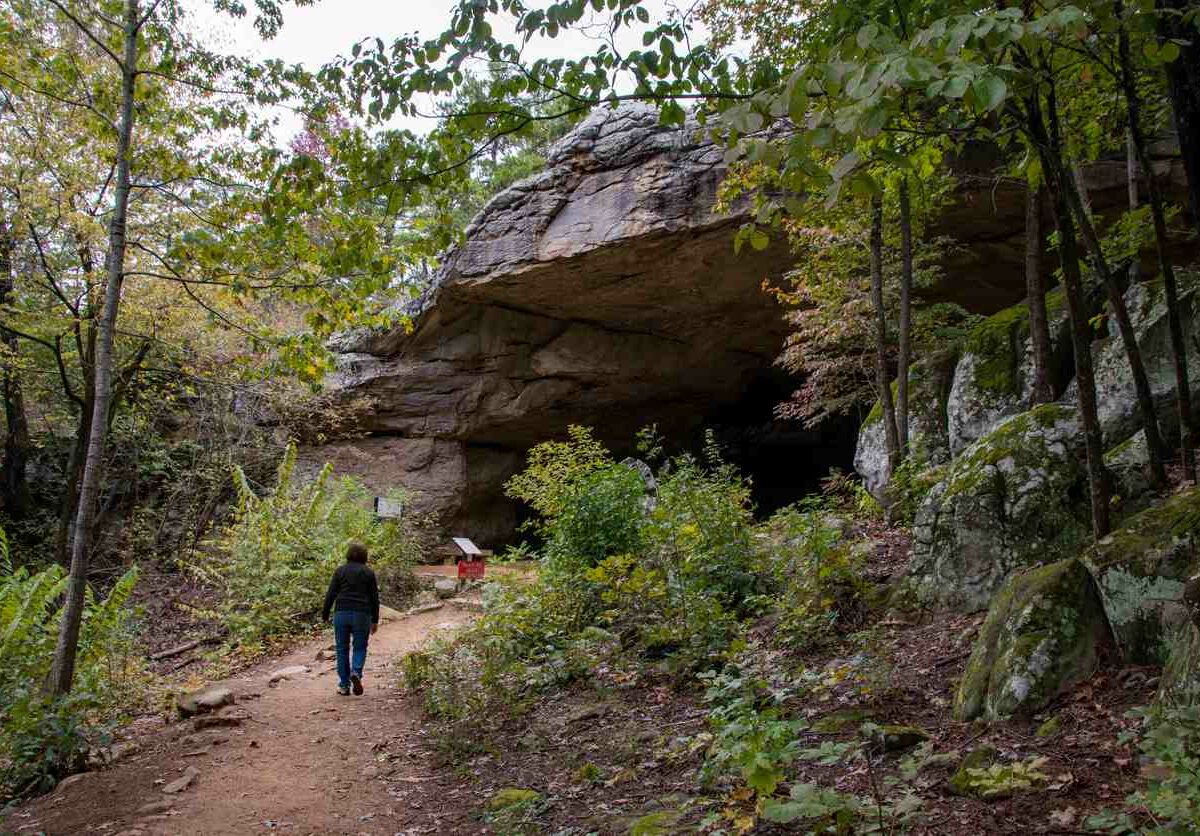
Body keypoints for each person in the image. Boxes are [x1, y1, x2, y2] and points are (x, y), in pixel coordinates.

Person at [321, 542, 380, 696]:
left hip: (341, 612)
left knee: (342, 649)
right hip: (362, 613)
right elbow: (374, 597)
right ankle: (356, 672)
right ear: (364, 556)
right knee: (360, 646)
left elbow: (331, 594)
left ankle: (344, 685)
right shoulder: (368, 573)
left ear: (348, 554)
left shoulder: (340, 571)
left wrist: (325, 614)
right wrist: (375, 620)